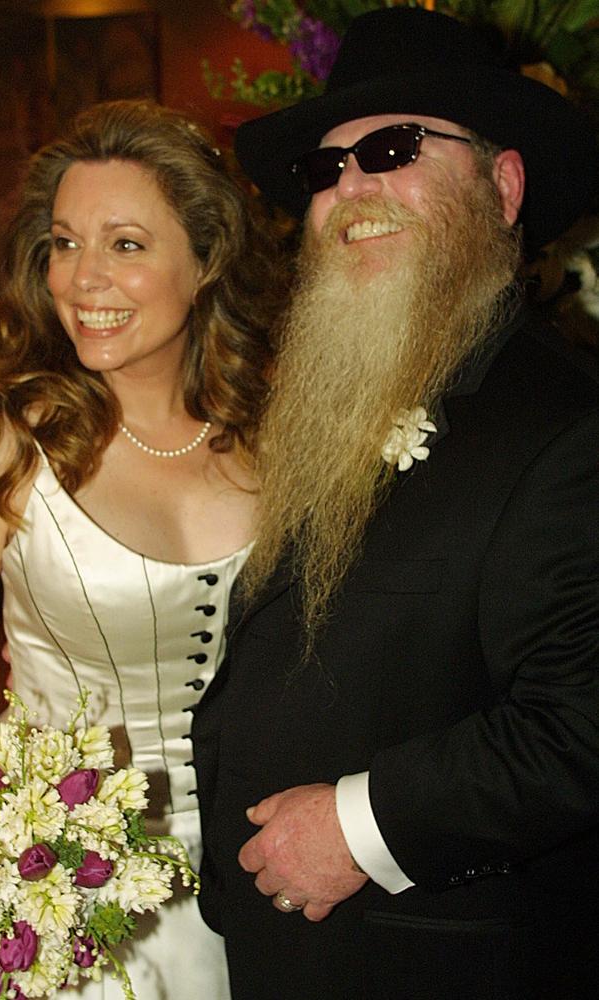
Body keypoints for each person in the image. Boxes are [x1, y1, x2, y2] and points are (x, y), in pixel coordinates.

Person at [192, 8, 599, 1000]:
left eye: (389, 149)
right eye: (323, 171)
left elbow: (578, 722)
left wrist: (361, 827)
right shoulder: (351, 394)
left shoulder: (565, 424)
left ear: (501, 185)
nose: (347, 192)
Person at [0, 98, 282, 998]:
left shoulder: (280, 439)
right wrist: (24, 851)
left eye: (126, 245)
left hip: (273, 881)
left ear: (206, 261)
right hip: (76, 901)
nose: (81, 279)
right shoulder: (0, 446)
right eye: (63, 243)